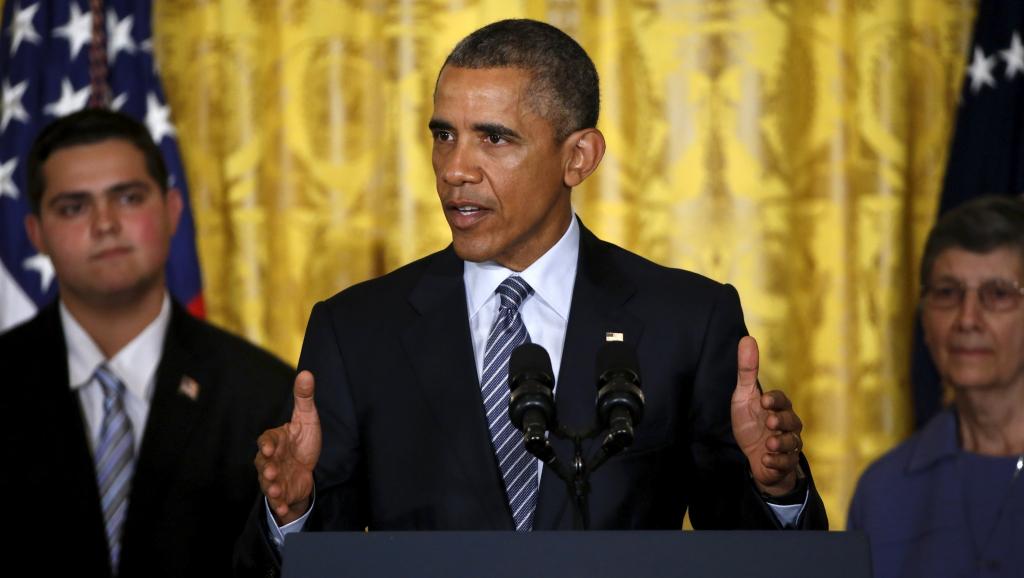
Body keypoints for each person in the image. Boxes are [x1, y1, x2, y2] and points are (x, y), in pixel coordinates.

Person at [236, 19, 828, 575]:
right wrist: (295, 512)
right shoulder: (356, 330)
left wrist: (773, 490)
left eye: (493, 138)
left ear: (579, 157)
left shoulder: (687, 321)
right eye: (445, 135)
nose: (454, 170)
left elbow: (761, 562)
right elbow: (313, 563)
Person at [0, 109, 294, 577]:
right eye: (74, 207)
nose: (105, 224)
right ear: (36, 233)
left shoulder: (262, 395)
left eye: (128, 197)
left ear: (172, 210)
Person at [848, 195, 1024, 578]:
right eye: (947, 293)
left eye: (998, 294)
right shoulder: (883, 491)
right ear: (924, 319)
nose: (967, 319)